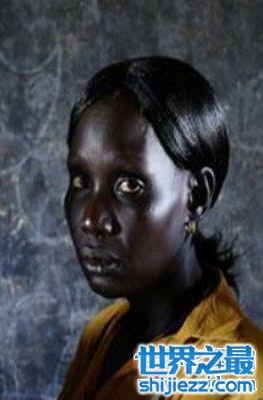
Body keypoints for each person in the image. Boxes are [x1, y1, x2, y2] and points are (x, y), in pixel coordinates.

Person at [58, 56, 262, 399]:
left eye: (129, 186)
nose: (91, 219)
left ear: (196, 195)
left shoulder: (236, 374)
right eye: (81, 181)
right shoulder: (103, 333)